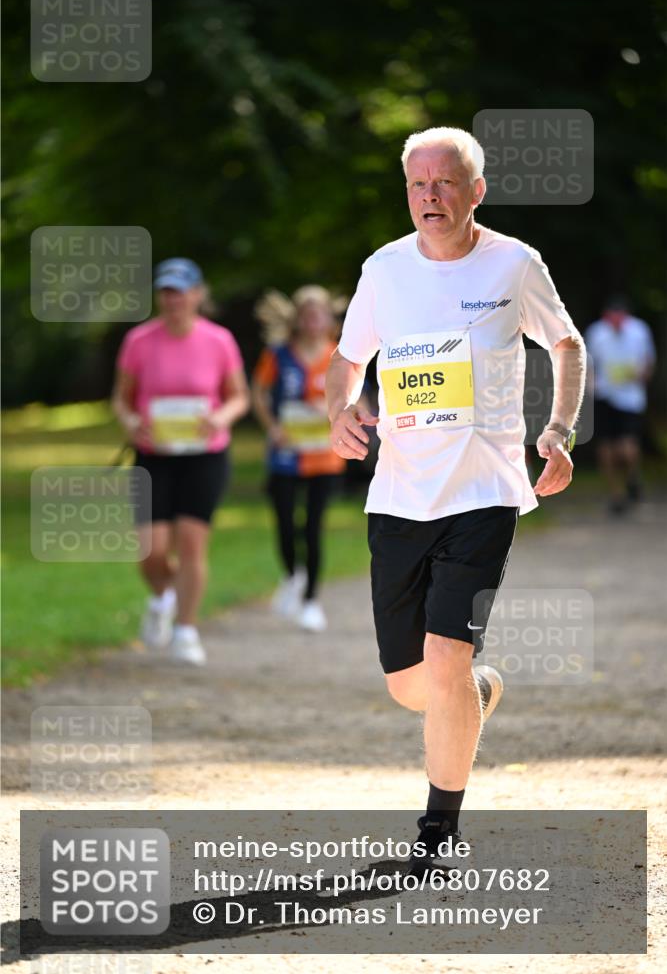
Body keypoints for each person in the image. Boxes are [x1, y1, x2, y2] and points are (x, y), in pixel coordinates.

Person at [326, 126, 586, 874]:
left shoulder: (513, 264)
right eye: (417, 184)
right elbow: (346, 362)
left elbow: (564, 344)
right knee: (415, 687)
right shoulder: (384, 270)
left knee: (446, 656)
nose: (429, 197)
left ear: (476, 190)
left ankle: (436, 833)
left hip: (483, 491)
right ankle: (471, 692)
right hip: (399, 495)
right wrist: (340, 410)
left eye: (444, 183)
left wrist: (558, 429)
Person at [112, 258, 250, 666]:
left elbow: (238, 396)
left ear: (197, 294)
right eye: (166, 291)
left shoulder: (219, 340)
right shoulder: (139, 341)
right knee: (150, 552)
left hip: (204, 455)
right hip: (154, 455)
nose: (173, 299)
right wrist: (132, 421)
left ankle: (186, 630)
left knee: (192, 544)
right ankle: (161, 598)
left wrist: (219, 418)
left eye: (180, 290)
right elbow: (121, 398)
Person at [252, 286, 346, 631]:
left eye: (319, 313)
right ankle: (293, 573)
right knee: (285, 523)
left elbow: (358, 399)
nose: (313, 320)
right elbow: (258, 392)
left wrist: (338, 412)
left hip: (324, 457)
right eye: (306, 313)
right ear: (296, 318)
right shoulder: (278, 355)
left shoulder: (340, 354)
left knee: (313, 526)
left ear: (328, 318)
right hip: (286, 454)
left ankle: (310, 601)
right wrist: (272, 426)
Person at [585, 297, 656, 514]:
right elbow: (586, 362)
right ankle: (616, 493)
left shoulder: (639, 330)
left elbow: (649, 360)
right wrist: (588, 388)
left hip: (630, 397)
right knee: (606, 446)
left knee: (627, 445)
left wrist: (643, 376)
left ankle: (633, 476)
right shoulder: (596, 333)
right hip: (604, 394)